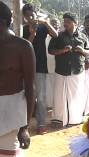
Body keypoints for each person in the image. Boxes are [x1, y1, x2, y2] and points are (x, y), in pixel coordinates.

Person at [0, 1, 35, 157]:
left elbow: (30, 88)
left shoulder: (23, 47)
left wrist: (25, 127)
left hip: (13, 114)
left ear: (5, 21)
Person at [48, 12, 89, 126]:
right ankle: (58, 118)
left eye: (68, 21)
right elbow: (51, 50)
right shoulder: (59, 36)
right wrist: (63, 50)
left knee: (76, 95)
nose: (65, 24)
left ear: (75, 23)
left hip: (77, 71)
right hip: (61, 71)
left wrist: (82, 50)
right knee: (59, 96)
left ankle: (74, 119)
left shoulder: (83, 36)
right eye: (64, 21)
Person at [22, 3, 58, 134]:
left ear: (36, 14)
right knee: (26, 96)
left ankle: (41, 124)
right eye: (27, 16)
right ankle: (23, 124)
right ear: (24, 17)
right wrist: (32, 34)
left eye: (32, 14)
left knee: (41, 97)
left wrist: (46, 22)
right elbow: (25, 47)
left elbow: (55, 35)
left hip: (40, 66)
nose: (30, 17)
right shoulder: (23, 29)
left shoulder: (43, 27)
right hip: (25, 67)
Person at [46, 18, 60, 111]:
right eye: (53, 24)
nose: (55, 26)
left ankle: (58, 105)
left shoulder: (61, 37)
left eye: (57, 24)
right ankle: (50, 105)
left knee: (58, 87)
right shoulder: (44, 38)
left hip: (59, 68)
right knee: (49, 88)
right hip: (47, 66)